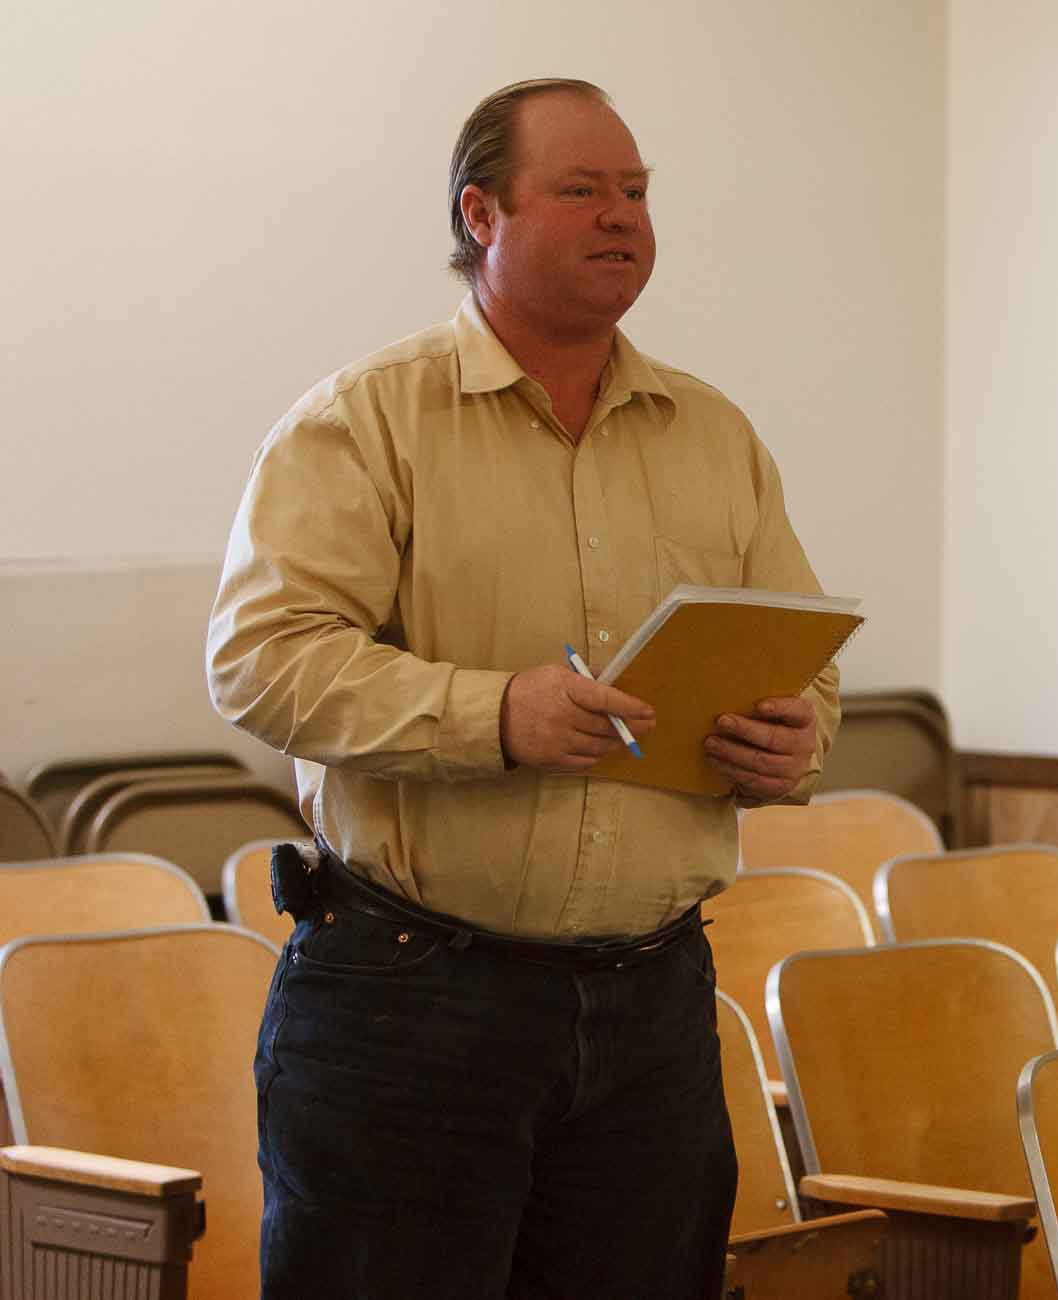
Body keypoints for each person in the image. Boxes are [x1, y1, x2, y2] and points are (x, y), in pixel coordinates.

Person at [207, 77, 840, 1299]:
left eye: (639, 191)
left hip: (651, 1008)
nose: (624, 217)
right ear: (481, 213)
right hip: (412, 1002)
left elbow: (804, 663)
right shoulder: (364, 422)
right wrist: (491, 715)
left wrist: (796, 742)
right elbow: (259, 655)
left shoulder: (715, 435)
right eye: (583, 189)